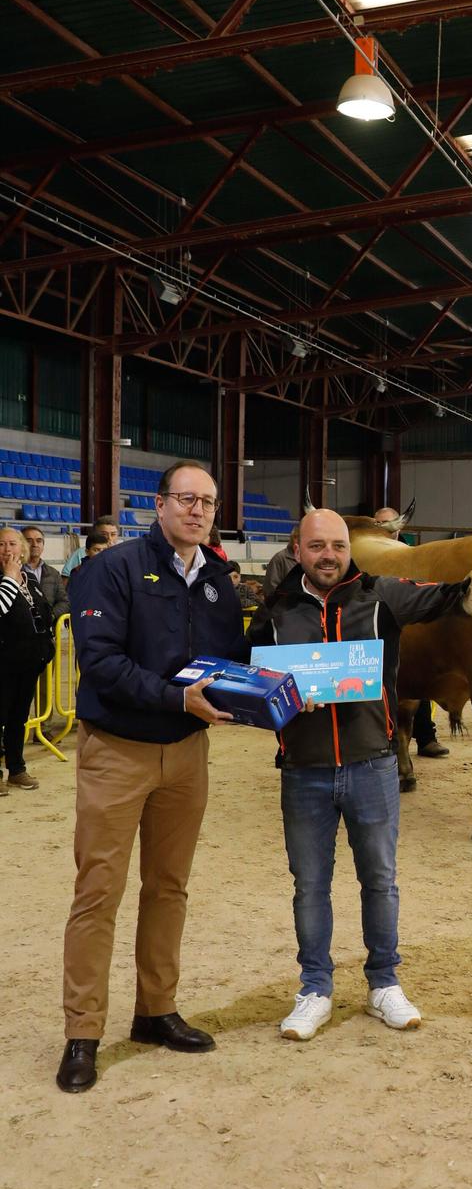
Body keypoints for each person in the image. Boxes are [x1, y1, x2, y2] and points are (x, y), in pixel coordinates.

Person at [57, 461, 246, 1094]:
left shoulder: (217, 580)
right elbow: (101, 663)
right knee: (99, 892)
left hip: (186, 755)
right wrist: (175, 700)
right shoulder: (109, 570)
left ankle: (155, 1011)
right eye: (186, 499)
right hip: (117, 751)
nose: (198, 511)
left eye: (208, 503)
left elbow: (234, 663)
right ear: (158, 505)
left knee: (169, 887)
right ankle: (82, 1031)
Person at [247, 508, 466, 1043]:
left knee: (381, 880)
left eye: (338, 546)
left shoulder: (381, 595)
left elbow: (448, 596)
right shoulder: (274, 612)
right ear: (297, 550)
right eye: (317, 546)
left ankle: (384, 983)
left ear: (350, 549)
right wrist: (283, 699)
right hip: (303, 770)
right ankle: (315, 988)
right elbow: (248, 682)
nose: (329, 556)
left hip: (373, 764)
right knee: (310, 886)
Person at [374, 507, 448, 760]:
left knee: (419, 686)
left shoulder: (411, 553)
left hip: (412, 623)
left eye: (389, 523)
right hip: (383, 625)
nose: (384, 527)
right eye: (379, 523)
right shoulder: (370, 556)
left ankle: (427, 738)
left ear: (399, 527)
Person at [0, 526, 56, 794]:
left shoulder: (30, 580)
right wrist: (9, 579)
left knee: (18, 718)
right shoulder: (5, 580)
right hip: (3, 662)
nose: (7, 549)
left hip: (28, 662)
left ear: (22, 549)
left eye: (12, 544)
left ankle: (16, 769)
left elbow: (43, 614)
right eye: (2, 544)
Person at [21, 525, 69, 617]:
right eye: (29, 541)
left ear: (43, 545)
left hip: (47, 627)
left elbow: (64, 602)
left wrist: (51, 615)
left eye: (39, 541)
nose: (35, 544)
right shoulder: (12, 571)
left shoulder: (53, 573)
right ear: (21, 544)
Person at [66, 527, 114, 608]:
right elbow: (71, 599)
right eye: (96, 550)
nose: (101, 554)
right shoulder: (78, 572)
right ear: (87, 552)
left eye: (104, 550)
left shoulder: (114, 571)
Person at [263, 527, 299, 599]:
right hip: (286, 607)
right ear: (291, 539)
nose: (297, 541)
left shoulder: (309, 558)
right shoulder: (279, 558)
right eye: (295, 537)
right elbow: (270, 589)